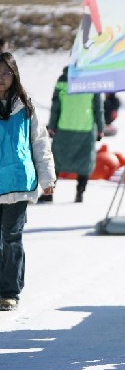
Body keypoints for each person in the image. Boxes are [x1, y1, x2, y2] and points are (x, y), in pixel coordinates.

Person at [0, 52, 56, 311]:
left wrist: (47, 177)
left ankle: (9, 292)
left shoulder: (25, 106)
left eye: (6, 73)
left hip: (19, 183)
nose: (1, 78)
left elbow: (40, 143)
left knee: (12, 238)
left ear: (14, 75)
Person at [43, 65, 104, 203]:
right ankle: (79, 194)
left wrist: (52, 125)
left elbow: (55, 106)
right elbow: (98, 108)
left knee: (56, 163)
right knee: (84, 164)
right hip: (85, 129)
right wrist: (100, 128)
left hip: (64, 128)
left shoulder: (63, 80)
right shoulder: (93, 81)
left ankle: (48, 194)